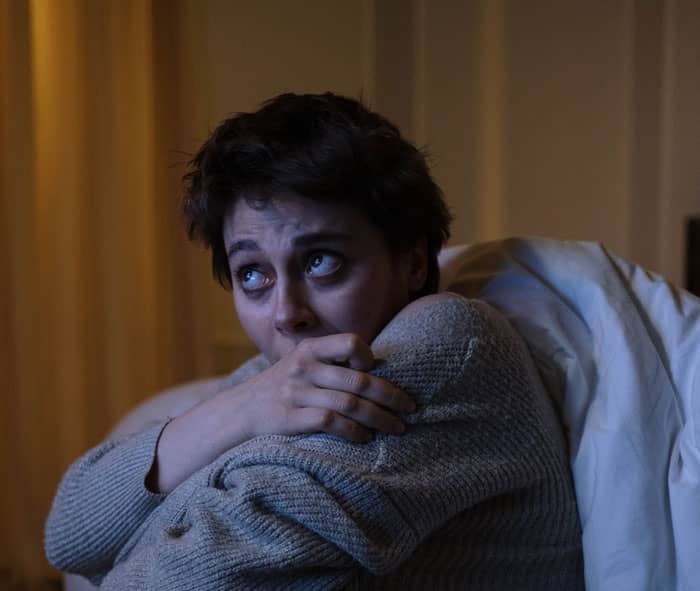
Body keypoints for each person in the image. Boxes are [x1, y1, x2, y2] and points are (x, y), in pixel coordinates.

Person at [45, 92, 584, 590]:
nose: (286, 314)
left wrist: (160, 523)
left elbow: (196, 577)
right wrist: (241, 408)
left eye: (321, 261)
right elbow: (68, 536)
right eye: (252, 273)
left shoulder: (446, 340)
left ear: (414, 261)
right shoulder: (277, 379)